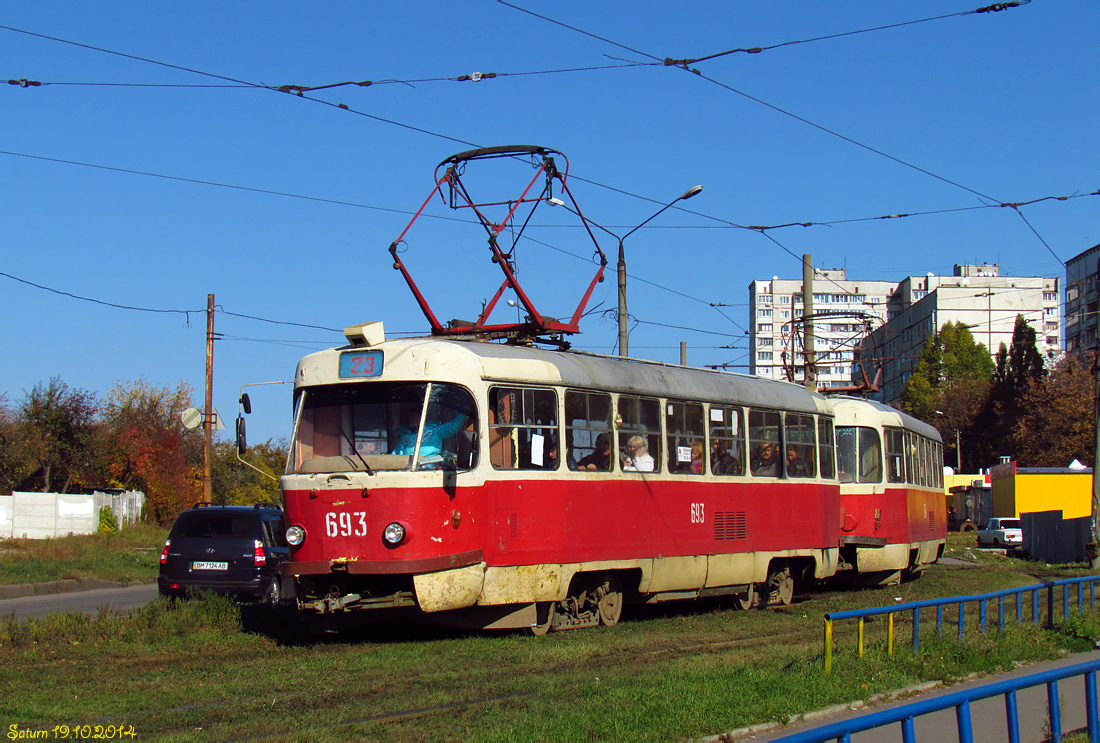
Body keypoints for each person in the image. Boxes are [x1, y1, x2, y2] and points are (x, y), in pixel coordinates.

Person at [390, 408, 468, 458]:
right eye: (411, 417)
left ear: (422, 418)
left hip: (431, 469)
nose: (412, 419)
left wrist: (466, 411)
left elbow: (453, 426)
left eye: (415, 416)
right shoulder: (404, 436)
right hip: (410, 470)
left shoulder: (435, 431)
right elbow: (396, 456)